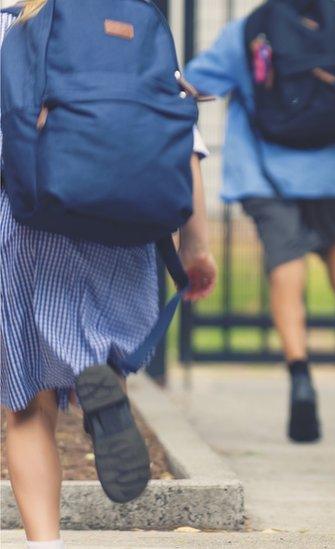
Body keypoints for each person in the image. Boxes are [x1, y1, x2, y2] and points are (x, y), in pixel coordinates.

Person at [0, 2, 217, 547]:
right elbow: (180, 140)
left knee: (27, 404)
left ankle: (45, 542)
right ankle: (106, 391)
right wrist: (196, 245)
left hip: (30, 211)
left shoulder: (11, 25)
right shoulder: (135, 25)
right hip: (124, 216)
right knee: (106, 349)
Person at [184, 7, 335, 444]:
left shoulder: (247, 32)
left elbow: (192, 84)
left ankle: (300, 375)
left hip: (263, 172)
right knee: (332, 241)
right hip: (323, 166)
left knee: (286, 260)